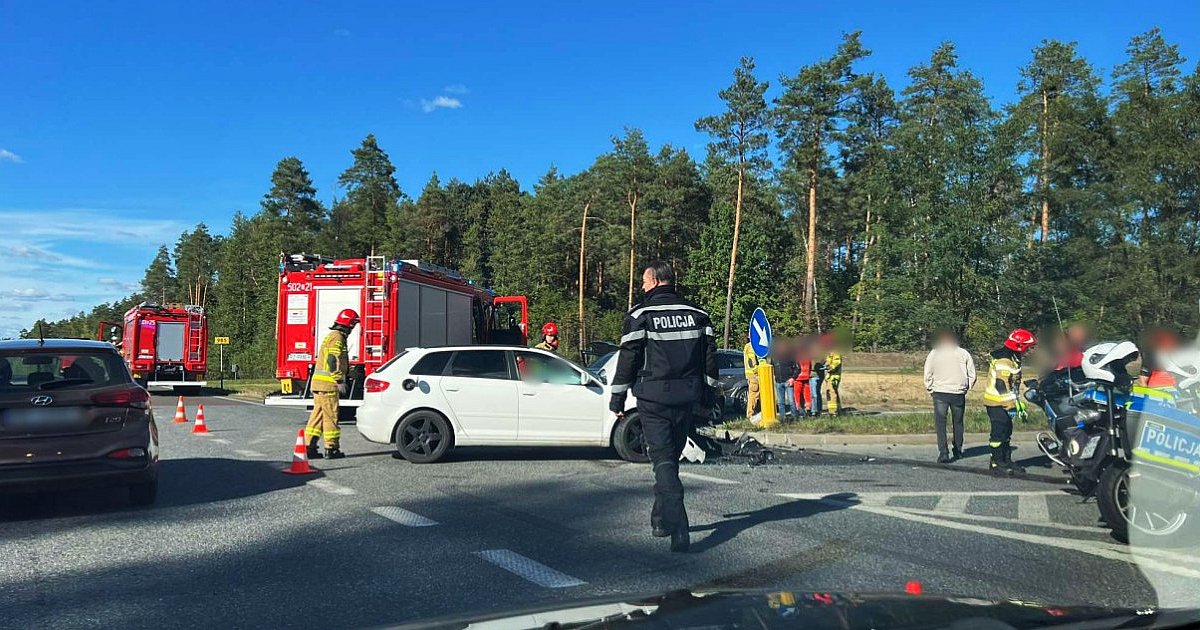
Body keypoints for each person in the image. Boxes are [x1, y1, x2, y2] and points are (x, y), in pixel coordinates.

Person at [610, 261, 718, 553]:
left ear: (657, 281)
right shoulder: (699, 315)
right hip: (687, 399)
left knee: (662, 462)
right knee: (668, 460)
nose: (642, 287)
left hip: (654, 399)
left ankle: (679, 525)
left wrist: (617, 398)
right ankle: (660, 520)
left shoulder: (640, 315)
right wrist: (708, 396)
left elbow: (628, 359)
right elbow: (709, 361)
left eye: (644, 282)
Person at [305, 308, 359, 460]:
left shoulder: (332, 336)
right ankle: (332, 448)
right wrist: (339, 379)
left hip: (318, 385)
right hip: (328, 385)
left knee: (318, 416)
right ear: (349, 325)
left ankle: (309, 447)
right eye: (353, 325)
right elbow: (332, 360)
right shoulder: (338, 338)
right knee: (331, 416)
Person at [983, 328, 1036, 475]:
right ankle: (996, 463)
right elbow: (1001, 385)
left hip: (1003, 402)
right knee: (998, 434)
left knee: (1007, 432)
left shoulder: (1013, 358)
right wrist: (1010, 405)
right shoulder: (1004, 360)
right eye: (1027, 347)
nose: (1028, 351)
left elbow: (1012, 385)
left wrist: (1017, 404)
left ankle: (1006, 460)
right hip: (996, 403)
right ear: (1019, 346)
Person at [923, 330, 977, 463]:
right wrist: (967, 387)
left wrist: (930, 387)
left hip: (940, 391)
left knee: (941, 423)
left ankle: (943, 452)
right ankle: (958, 449)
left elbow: (928, 372)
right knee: (958, 422)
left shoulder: (935, 353)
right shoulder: (963, 353)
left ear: (942, 340)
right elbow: (972, 373)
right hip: (958, 392)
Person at [771, 340, 796, 419]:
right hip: (778, 382)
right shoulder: (774, 357)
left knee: (791, 401)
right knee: (780, 402)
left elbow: (797, 368)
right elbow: (772, 367)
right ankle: (783, 418)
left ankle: (794, 417)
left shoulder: (790, 356)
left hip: (788, 381)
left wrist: (793, 378)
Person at [821, 334, 843, 416]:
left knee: (831, 393)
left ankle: (833, 412)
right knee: (833, 393)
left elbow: (836, 363)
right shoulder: (829, 352)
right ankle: (838, 410)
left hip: (834, 376)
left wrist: (828, 367)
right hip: (829, 376)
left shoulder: (835, 352)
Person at [793, 340, 814, 416]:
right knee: (807, 395)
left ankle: (799, 409)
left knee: (797, 395)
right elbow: (810, 365)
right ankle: (808, 409)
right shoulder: (808, 356)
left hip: (798, 378)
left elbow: (796, 366)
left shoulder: (797, 356)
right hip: (806, 377)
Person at [742, 331, 760, 418]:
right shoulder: (751, 347)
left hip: (750, 375)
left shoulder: (747, 346)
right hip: (754, 375)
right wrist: (757, 371)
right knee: (754, 395)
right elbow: (751, 361)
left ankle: (752, 413)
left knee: (754, 395)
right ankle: (750, 414)